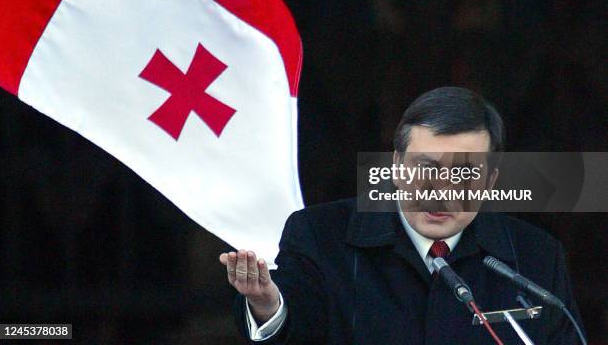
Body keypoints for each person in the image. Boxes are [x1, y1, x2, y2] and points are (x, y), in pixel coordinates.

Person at [219, 86, 583, 344]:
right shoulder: (320, 233)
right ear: (396, 166)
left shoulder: (536, 255)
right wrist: (268, 304)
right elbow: (296, 324)